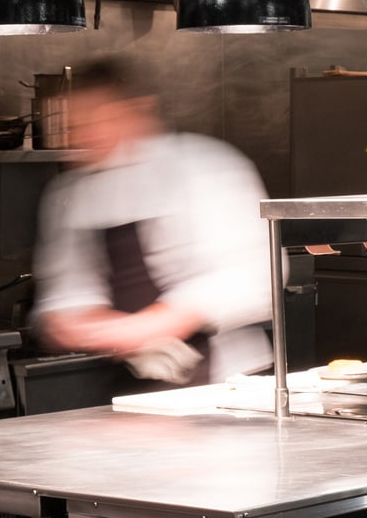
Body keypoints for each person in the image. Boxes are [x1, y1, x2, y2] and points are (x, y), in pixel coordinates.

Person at [31, 57, 273, 387]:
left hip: (223, 380)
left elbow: (257, 275)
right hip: (130, 383)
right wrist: (75, 322)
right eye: (78, 124)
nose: (88, 134)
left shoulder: (205, 165)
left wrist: (156, 323)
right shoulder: (68, 193)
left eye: (101, 118)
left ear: (137, 111)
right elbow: (67, 288)